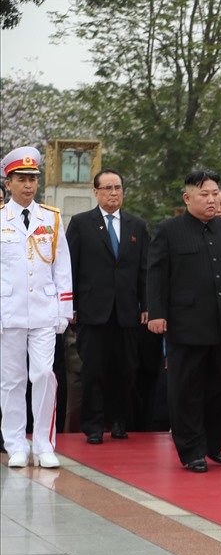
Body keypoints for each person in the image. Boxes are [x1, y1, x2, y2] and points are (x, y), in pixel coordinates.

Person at [146, 170, 221, 472]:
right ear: (187, 197)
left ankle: (213, 441)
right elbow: (156, 275)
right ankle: (191, 449)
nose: (212, 200)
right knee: (186, 389)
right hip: (187, 325)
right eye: (204, 194)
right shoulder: (169, 231)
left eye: (215, 193)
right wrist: (156, 313)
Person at [0, 146, 73, 468]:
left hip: (44, 310)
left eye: (32, 179)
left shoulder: (51, 218)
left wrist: (64, 310)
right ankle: (15, 443)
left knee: (44, 374)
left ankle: (43, 443)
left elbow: (62, 267)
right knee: (12, 380)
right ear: (8, 183)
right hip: (9, 311)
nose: (29, 185)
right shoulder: (1, 219)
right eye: (22, 179)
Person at [67, 168, 150, 444]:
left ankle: (118, 421)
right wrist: (71, 306)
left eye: (118, 188)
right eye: (108, 188)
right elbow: (71, 268)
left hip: (126, 310)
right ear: (96, 192)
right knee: (93, 369)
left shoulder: (136, 225)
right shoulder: (81, 223)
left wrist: (145, 304)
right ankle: (93, 425)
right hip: (93, 310)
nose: (114, 193)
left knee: (124, 369)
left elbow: (143, 270)